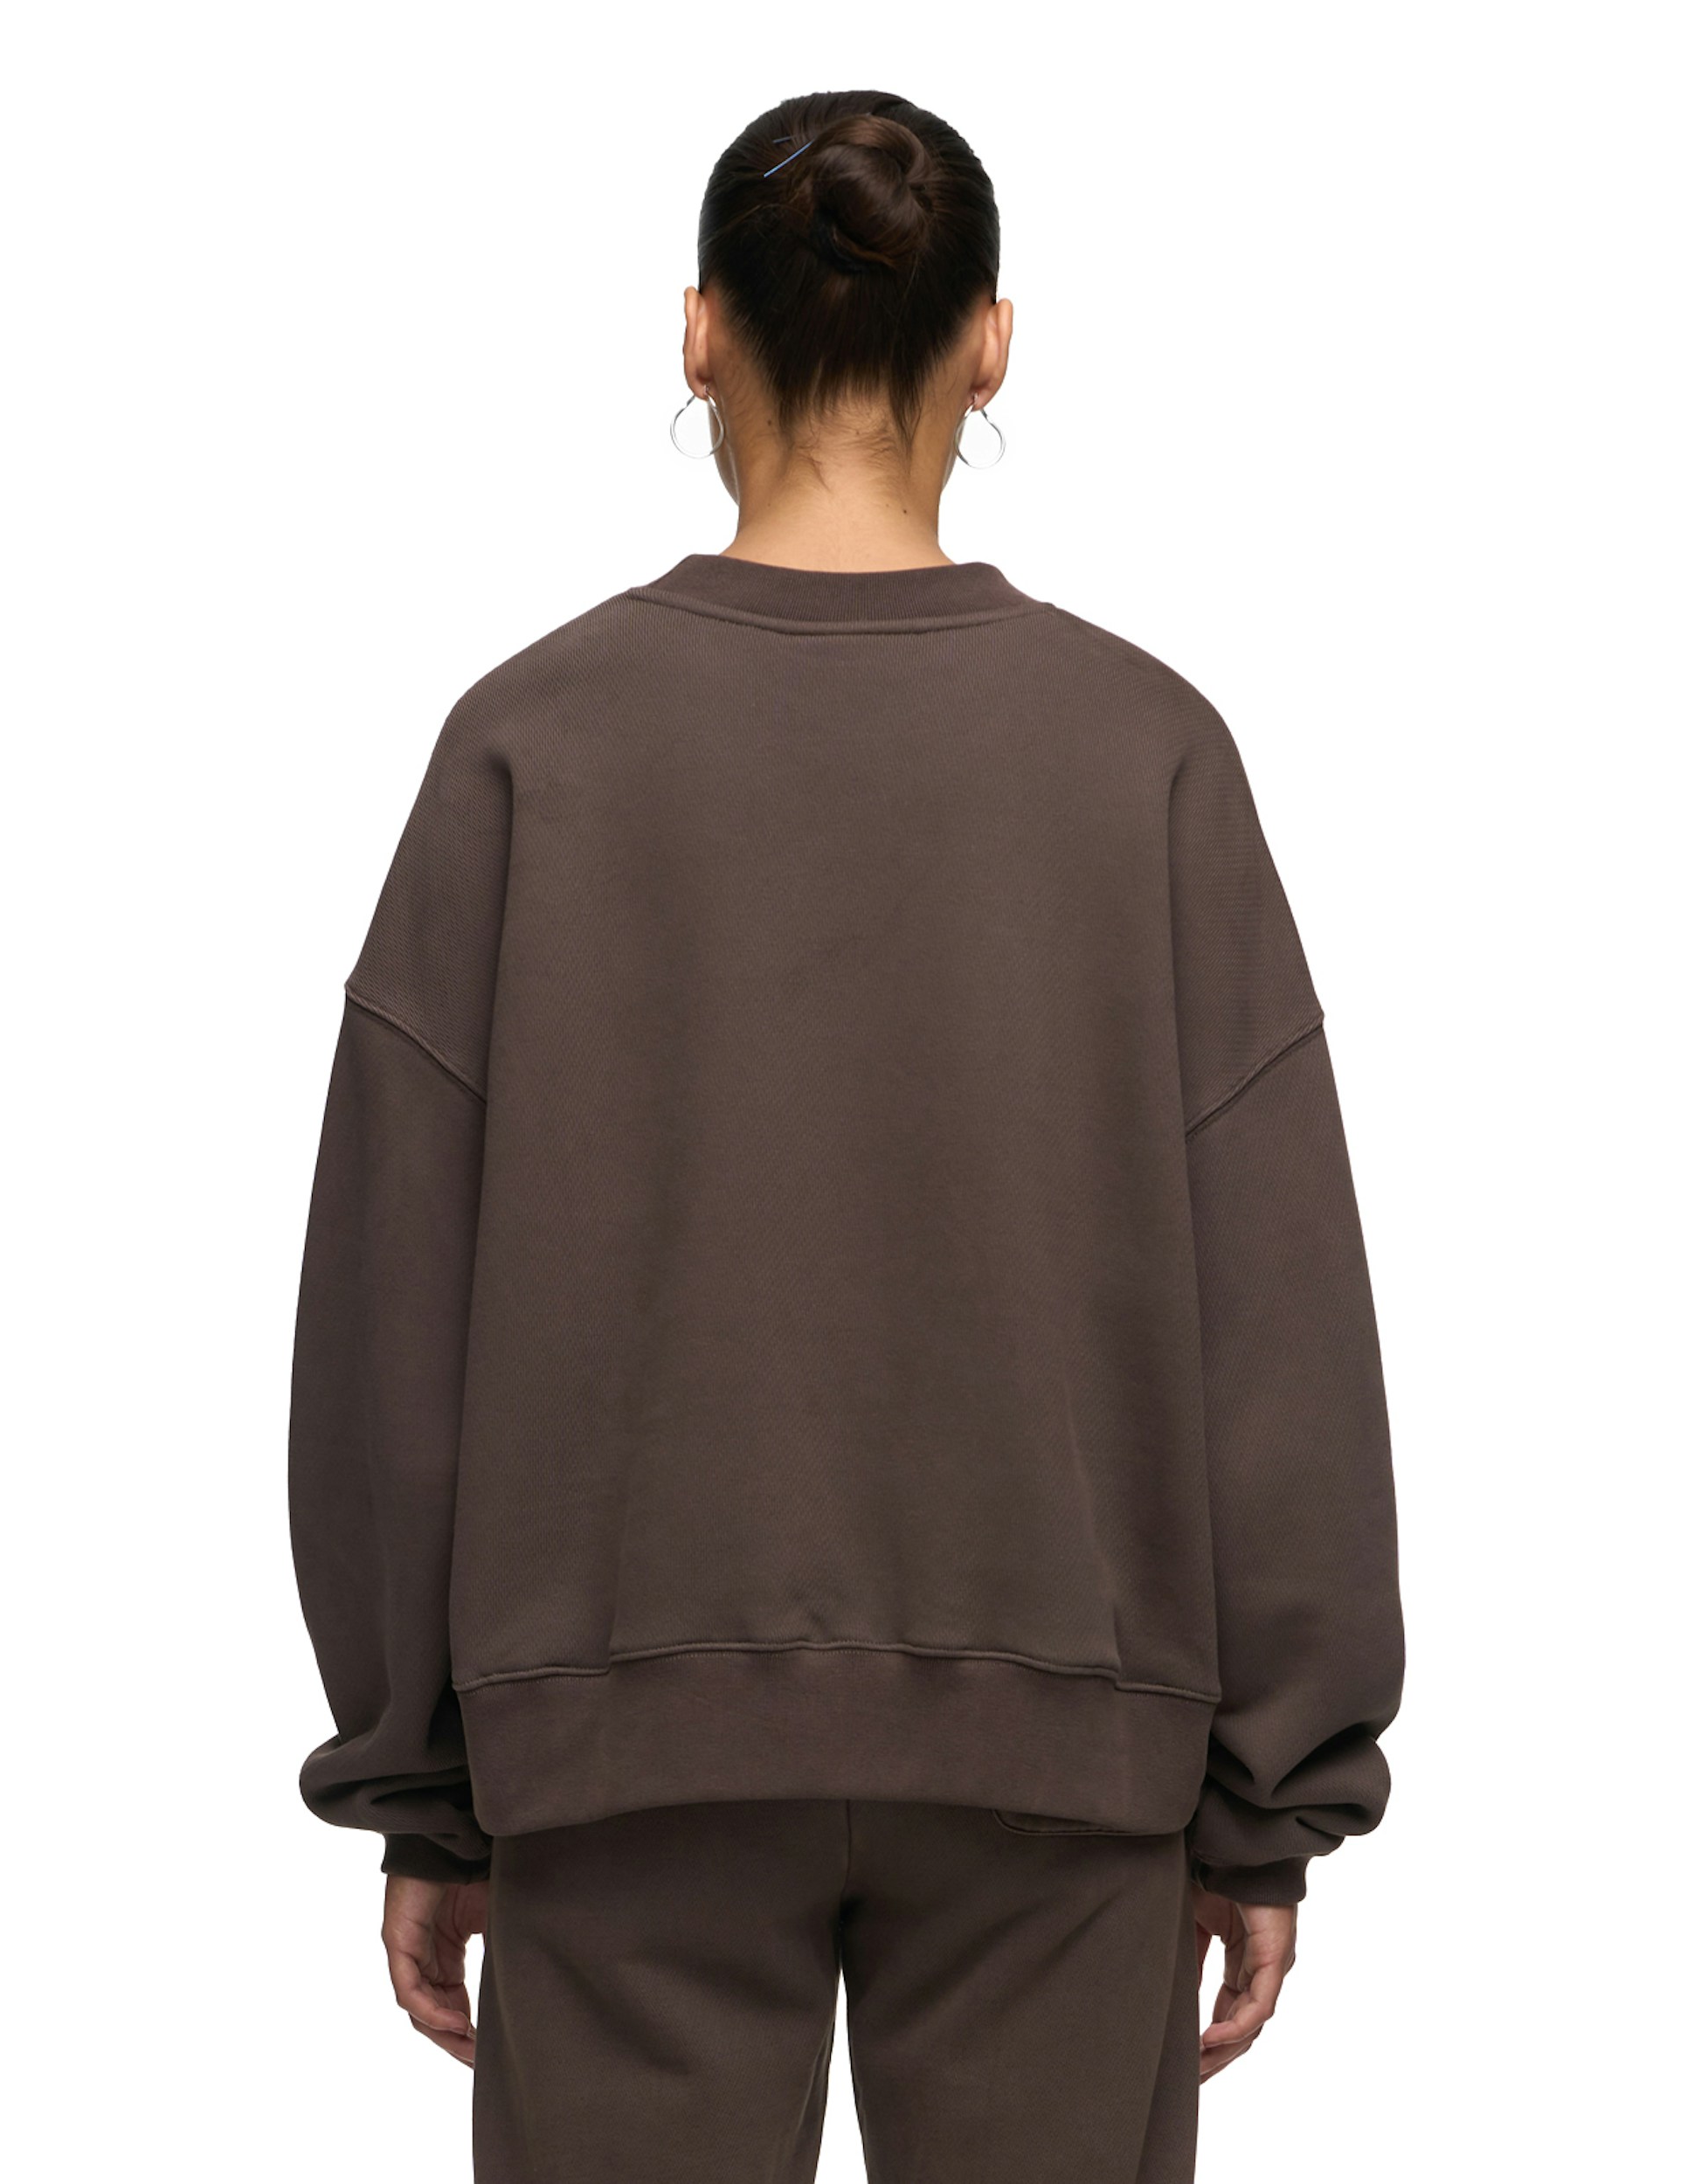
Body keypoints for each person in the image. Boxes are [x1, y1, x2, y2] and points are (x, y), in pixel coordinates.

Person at [287, 86, 1405, 2184]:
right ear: (991, 344)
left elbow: (391, 1312)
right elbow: (1276, 1303)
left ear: (697, 329)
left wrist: (420, 1780)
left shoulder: (529, 743)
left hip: (620, 1751)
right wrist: (1271, 1795)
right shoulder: (1143, 752)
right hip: (1060, 1752)